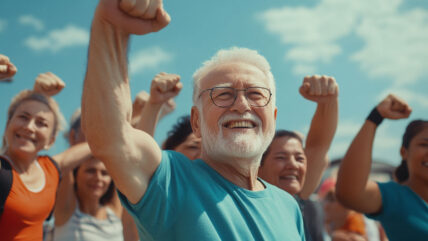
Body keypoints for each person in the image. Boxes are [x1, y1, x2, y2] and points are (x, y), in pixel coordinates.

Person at [82, 0, 307, 240]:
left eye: (255, 94)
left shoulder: (288, 206)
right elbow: (112, 138)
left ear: (272, 118)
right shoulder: (171, 182)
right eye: (223, 94)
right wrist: (109, 26)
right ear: (196, 122)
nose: (242, 105)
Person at [0, 72, 91, 241]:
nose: (29, 127)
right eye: (23, 117)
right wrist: (37, 94)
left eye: (41, 123)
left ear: (51, 140)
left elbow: (99, 143)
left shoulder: (50, 169)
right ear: (7, 126)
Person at [335, 94, 427, 241]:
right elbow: (350, 193)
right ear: (404, 152)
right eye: (424, 144)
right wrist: (375, 117)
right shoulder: (395, 197)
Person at [258, 74, 338, 241]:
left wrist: (328, 101)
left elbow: (319, 145)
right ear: (258, 167)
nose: (292, 165)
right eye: (281, 157)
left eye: (299, 158)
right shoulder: (245, 205)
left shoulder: (299, 202)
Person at [53, 110, 124, 241]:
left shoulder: (114, 212)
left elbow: (124, 154)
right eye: (90, 171)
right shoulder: (66, 212)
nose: (98, 178)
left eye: (104, 173)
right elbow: (66, 163)